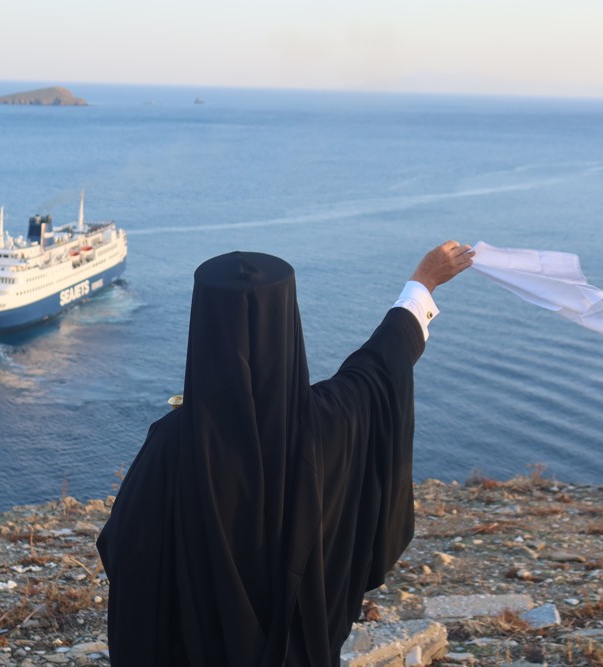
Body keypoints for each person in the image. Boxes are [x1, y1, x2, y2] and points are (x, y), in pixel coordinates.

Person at [97, 241, 474, 667]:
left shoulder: (170, 444)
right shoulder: (332, 422)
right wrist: (423, 282)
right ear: (287, 319)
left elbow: (124, 549)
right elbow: (381, 365)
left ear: (204, 326)